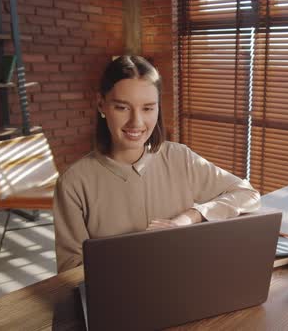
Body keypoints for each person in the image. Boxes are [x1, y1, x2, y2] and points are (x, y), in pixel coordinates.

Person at [53, 56, 260, 273]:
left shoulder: (181, 158)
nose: (137, 122)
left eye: (148, 108)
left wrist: (191, 216)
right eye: (122, 107)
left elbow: (248, 194)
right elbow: (70, 270)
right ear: (101, 105)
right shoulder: (73, 183)